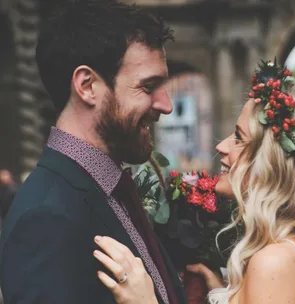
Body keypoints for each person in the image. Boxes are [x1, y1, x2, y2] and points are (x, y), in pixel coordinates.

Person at [95, 60, 295, 304]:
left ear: (272, 162)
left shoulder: (274, 264)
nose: (222, 146)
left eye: (238, 138)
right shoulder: (294, 253)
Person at [0, 1, 187, 303]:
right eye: (148, 86)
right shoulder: (46, 219)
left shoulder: (108, 190)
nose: (166, 105)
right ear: (87, 86)